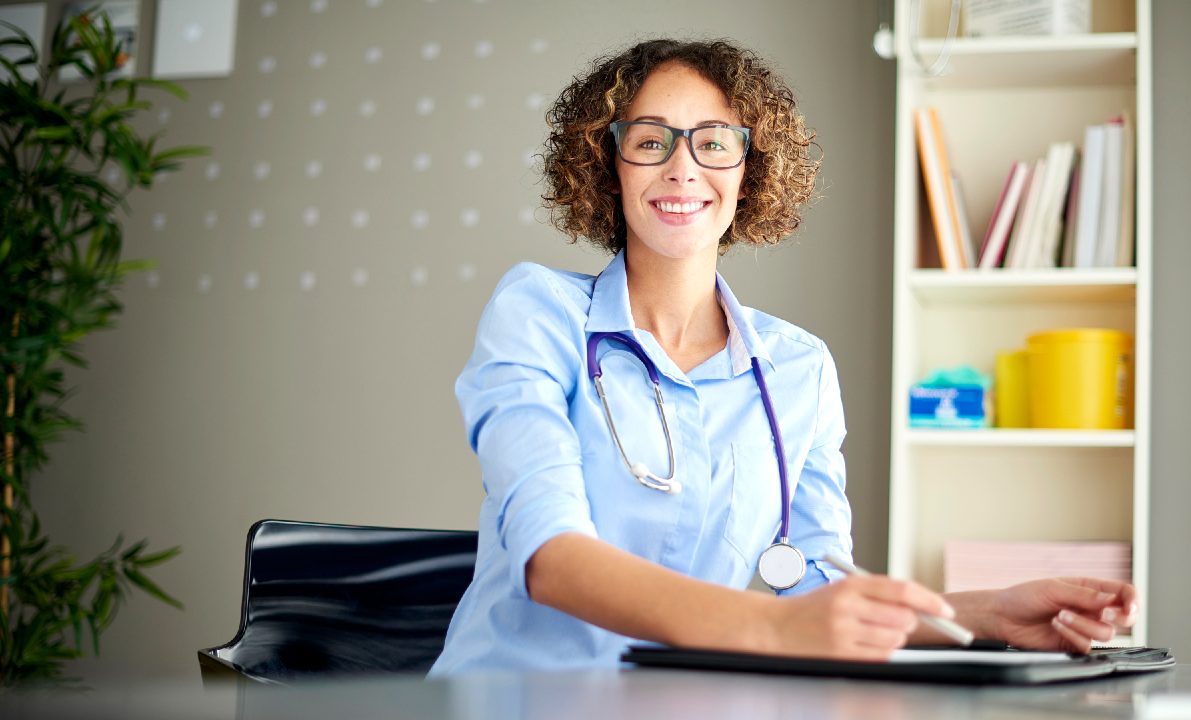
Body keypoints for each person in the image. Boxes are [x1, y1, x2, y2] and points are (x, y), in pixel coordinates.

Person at [428, 38, 1138, 675]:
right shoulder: (537, 313)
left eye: (714, 142)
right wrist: (774, 626)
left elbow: (817, 587)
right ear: (608, 166)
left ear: (749, 169)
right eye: (650, 141)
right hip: (512, 699)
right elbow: (551, 558)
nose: (682, 168)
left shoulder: (797, 369)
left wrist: (980, 616)